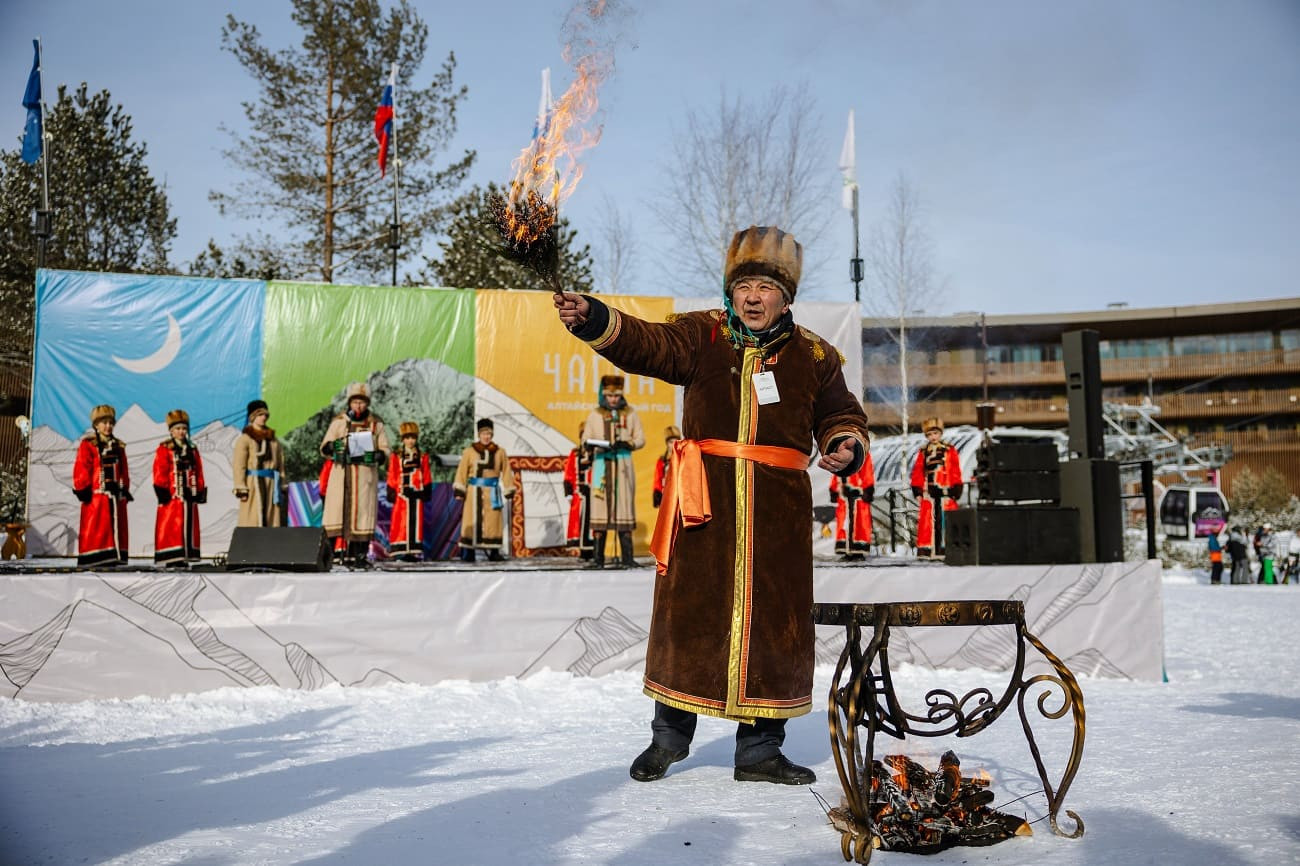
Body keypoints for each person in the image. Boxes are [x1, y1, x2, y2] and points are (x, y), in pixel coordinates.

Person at [553, 224, 869, 786]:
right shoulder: (701, 336)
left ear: (786, 297)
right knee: (690, 616)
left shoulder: (816, 355)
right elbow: (645, 343)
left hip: (778, 513)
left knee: (774, 625)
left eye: (765, 287)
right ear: (731, 291)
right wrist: (597, 318)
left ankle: (760, 752)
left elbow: (840, 414)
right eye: (744, 285)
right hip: (704, 505)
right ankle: (668, 740)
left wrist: (844, 442)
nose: (753, 296)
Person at [319, 382, 390, 565]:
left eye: (362, 402)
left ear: (367, 404)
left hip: (364, 477)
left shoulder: (376, 424)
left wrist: (376, 454)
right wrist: (336, 446)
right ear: (350, 403)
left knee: (363, 515)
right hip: (342, 475)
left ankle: (359, 555)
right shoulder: (339, 422)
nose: (358, 406)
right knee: (336, 514)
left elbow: (385, 449)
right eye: (355, 402)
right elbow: (325, 445)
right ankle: (329, 555)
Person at [582, 375, 646, 568]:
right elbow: (586, 438)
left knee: (623, 507)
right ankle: (598, 558)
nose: (613, 400)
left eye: (616, 396)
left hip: (622, 466)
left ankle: (627, 557)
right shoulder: (594, 415)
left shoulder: (630, 413)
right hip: (603, 465)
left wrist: (628, 443)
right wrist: (592, 445)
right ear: (604, 395)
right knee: (600, 509)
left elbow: (641, 438)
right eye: (609, 396)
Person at [72, 404, 132, 567]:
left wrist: (123, 488)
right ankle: (96, 558)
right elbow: (82, 467)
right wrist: (83, 489)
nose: (108, 426)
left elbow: (124, 470)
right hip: (97, 497)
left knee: (116, 529)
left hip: (115, 497)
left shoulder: (119, 446)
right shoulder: (88, 445)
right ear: (96, 425)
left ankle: (116, 557)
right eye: (104, 423)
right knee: (97, 529)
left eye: (111, 423)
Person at [453, 418, 515, 562]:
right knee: (471, 520)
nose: (486, 436)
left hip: (492, 491)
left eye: (488, 433)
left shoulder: (500, 452)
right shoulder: (469, 451)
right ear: (479, 434)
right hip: (473, 492)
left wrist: (508, 488)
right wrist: (459, 490)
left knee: (493, 522)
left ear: (492, 435)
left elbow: (506, 471)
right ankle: (469, 552)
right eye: (483, 433)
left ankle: (494, 551)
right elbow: (462, 471)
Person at [152, 409, 207, 566]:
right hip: (172, 499)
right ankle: (172, 558)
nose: (181, 432)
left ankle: (186, 556)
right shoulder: (165, 449)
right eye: (178, 429)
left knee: (189, 527)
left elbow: (199, 470)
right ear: (171, 431)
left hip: (189, 497)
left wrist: (199, 489)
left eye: (184, 428)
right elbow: (159, 471)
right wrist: (163, 491)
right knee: (172, 528)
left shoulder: (192, 449)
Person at [910, 417, 963, 558]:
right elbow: (918, 471)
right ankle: (928, 550)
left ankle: (946, 549)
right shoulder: (923, 452)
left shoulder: (949, 450)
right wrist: (917, 489)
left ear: (940, 433)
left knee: (946, 521)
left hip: (946, 492)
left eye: (935, 433)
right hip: (930, 493)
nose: (933, 437)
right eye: (929, 435)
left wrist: (956, 487)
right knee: (928, 522)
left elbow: (955, 470)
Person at [232, 400, 286, 528]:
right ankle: (251, 544)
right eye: (260, 414)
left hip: (271, 485)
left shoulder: (273, 440)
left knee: (271, 517)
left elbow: (280, 464)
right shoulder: (245, 439)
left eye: (265, 415)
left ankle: (271, 543)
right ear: (252, 417)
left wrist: (282, 484)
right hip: (253, 484)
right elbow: (239, 465)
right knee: (253, 517)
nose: (264, 417)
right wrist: (241, 486)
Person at [386, 422, 433, 561]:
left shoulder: (423, 456)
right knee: (400, 523)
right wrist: (392, 490)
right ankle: (400, 550)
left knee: (415, 522)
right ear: (403, 439)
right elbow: (392, 474)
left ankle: (412, 551)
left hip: (417, 494)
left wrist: (426, 489)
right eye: (407, 438)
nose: (410, 441)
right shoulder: (397, 456)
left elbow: (426, 474)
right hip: (401, 495)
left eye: (413, 437)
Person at [830, 438, 875, 561]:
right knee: (844, 523)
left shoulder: (863, 454)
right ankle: (847, 550)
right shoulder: (838, 453)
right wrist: (834, 489)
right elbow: (835, 472)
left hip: (857, 495)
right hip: (844, 496)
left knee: (859, 521)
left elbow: (867, 473)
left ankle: (858, 551)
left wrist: (867, 489)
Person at [563, 425, 595, 559]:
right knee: (578, 522)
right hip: (579, 495)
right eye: (584, 436)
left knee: (592, 524)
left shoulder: (596, 454)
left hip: (593, 495)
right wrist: (569, 491)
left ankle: (592, 550)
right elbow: (569, 473)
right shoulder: (575, 453)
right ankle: (579, 551)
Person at [652, 426, 683, 509]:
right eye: (670, 442)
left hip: (679, 495)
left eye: (675, 441)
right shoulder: (662, 461)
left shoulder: (683, 458)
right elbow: (657, 478)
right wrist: (657, 492)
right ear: (667, 443)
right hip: (665, 494)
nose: (673, 444)